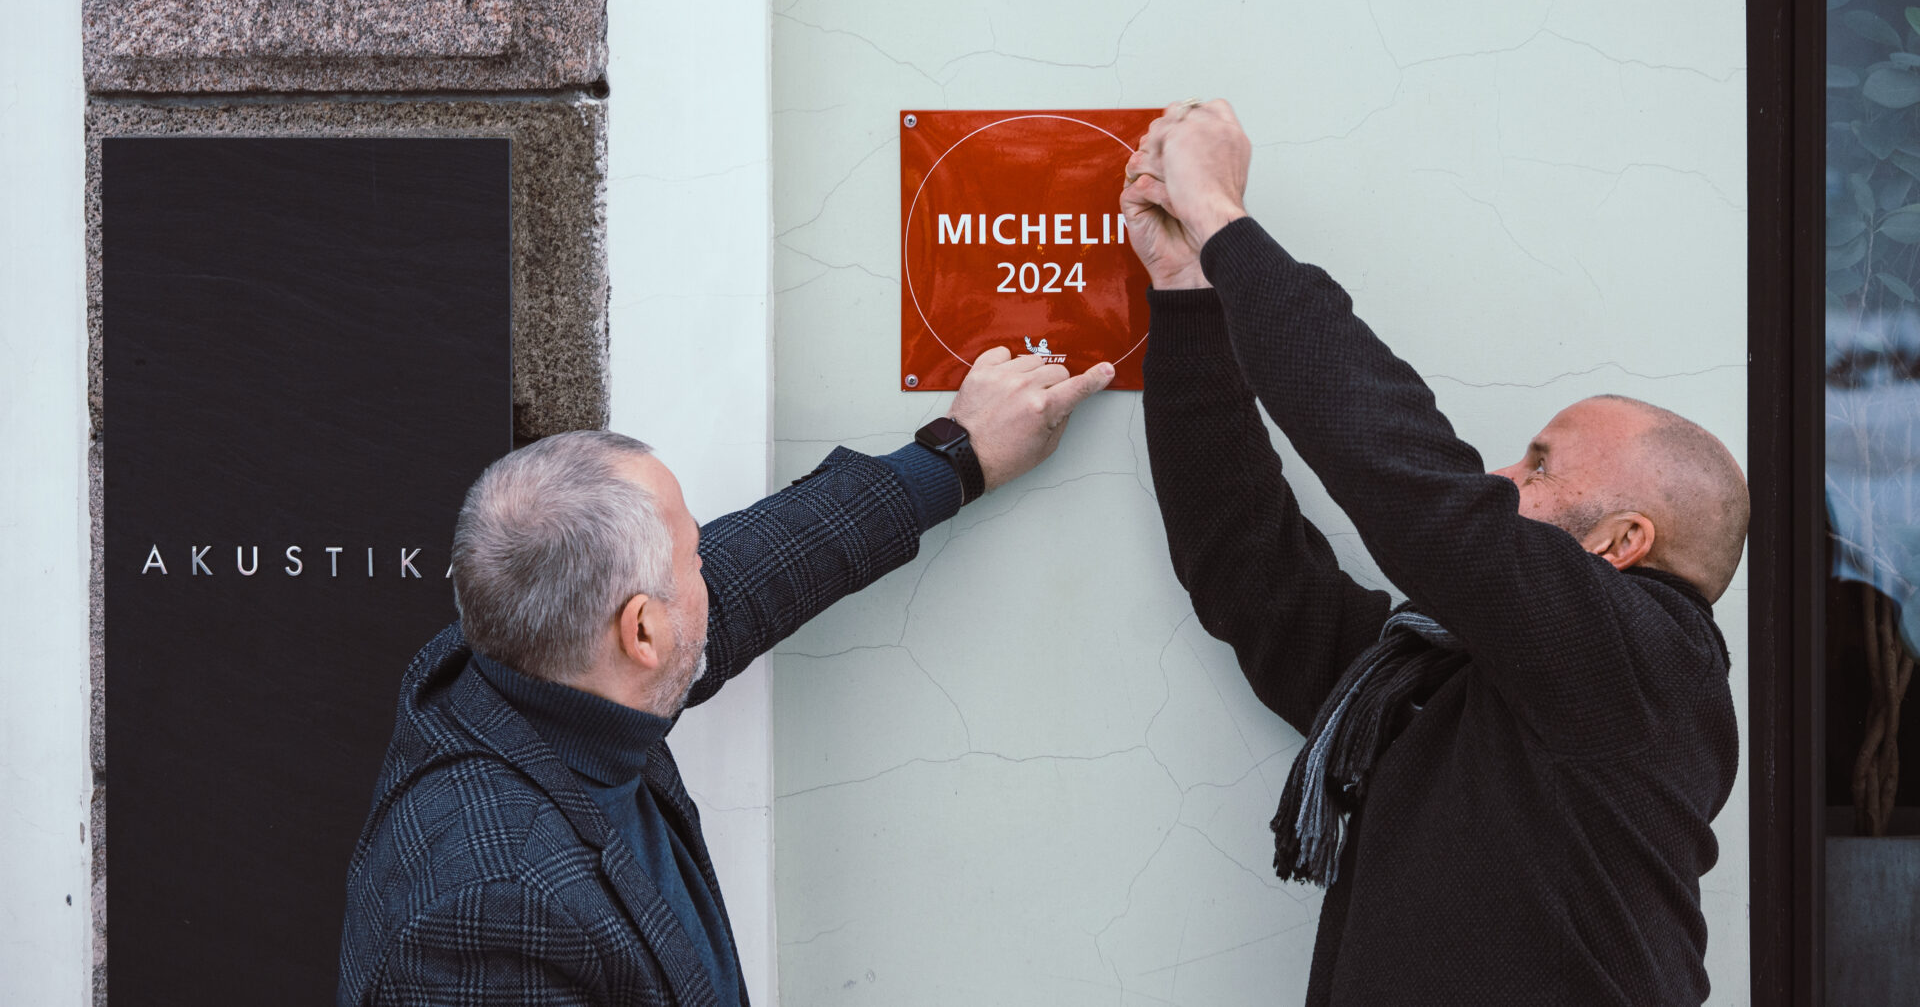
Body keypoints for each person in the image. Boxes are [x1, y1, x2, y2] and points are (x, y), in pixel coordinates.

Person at [1119, 99, 1747, 1007]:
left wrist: (1221, 217)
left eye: (1538, 465)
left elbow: (1415, 485)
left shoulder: (1651, 663)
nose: (1498, 477)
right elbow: (1249, 570)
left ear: (1622, 543)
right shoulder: (1445, 685)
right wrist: (1188, 289)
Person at [336, 349, 1113, 1006]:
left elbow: (754, 574)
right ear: (642, 632)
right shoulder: (489, 910)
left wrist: (955, 457)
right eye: (693, 558)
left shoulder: (532, 670)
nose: (711, 571)